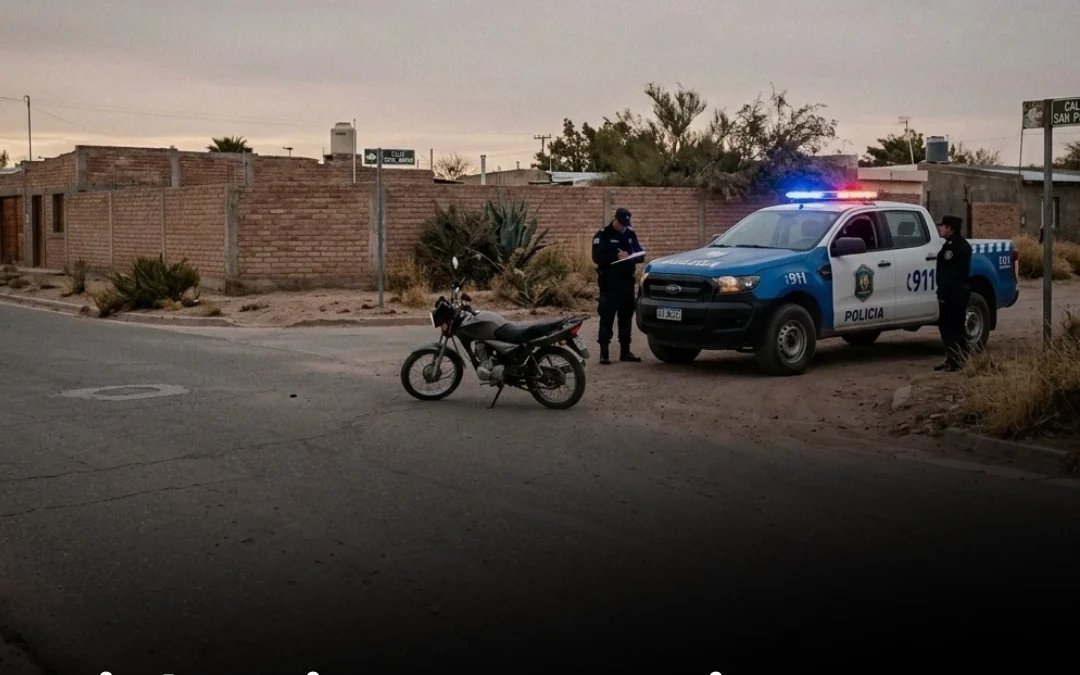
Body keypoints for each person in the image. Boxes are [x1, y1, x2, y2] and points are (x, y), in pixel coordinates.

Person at [591, 207, 644, 364]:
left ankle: (625, 351)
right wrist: (615, 254)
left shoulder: (630, 234)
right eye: (621, 223)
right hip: (609, 283)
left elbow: (640, 253)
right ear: (615, 220)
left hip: (626, 283)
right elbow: (597, 257)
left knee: (626, 318)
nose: (623, 227)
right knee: (607, 317)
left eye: (626, 224)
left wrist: (632, 257)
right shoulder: (603, 235)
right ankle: (604, 353)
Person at [934, 214, 973, 372]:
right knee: (957, 327)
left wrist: (942, 294)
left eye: (943, 226)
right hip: (960, 292)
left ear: (950, 228)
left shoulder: (952, 247)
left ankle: (954, 361)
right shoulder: (961, 244)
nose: (940, 228)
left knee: (948, 327)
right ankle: (960, 359)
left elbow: (948, 274)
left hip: (952, 293)